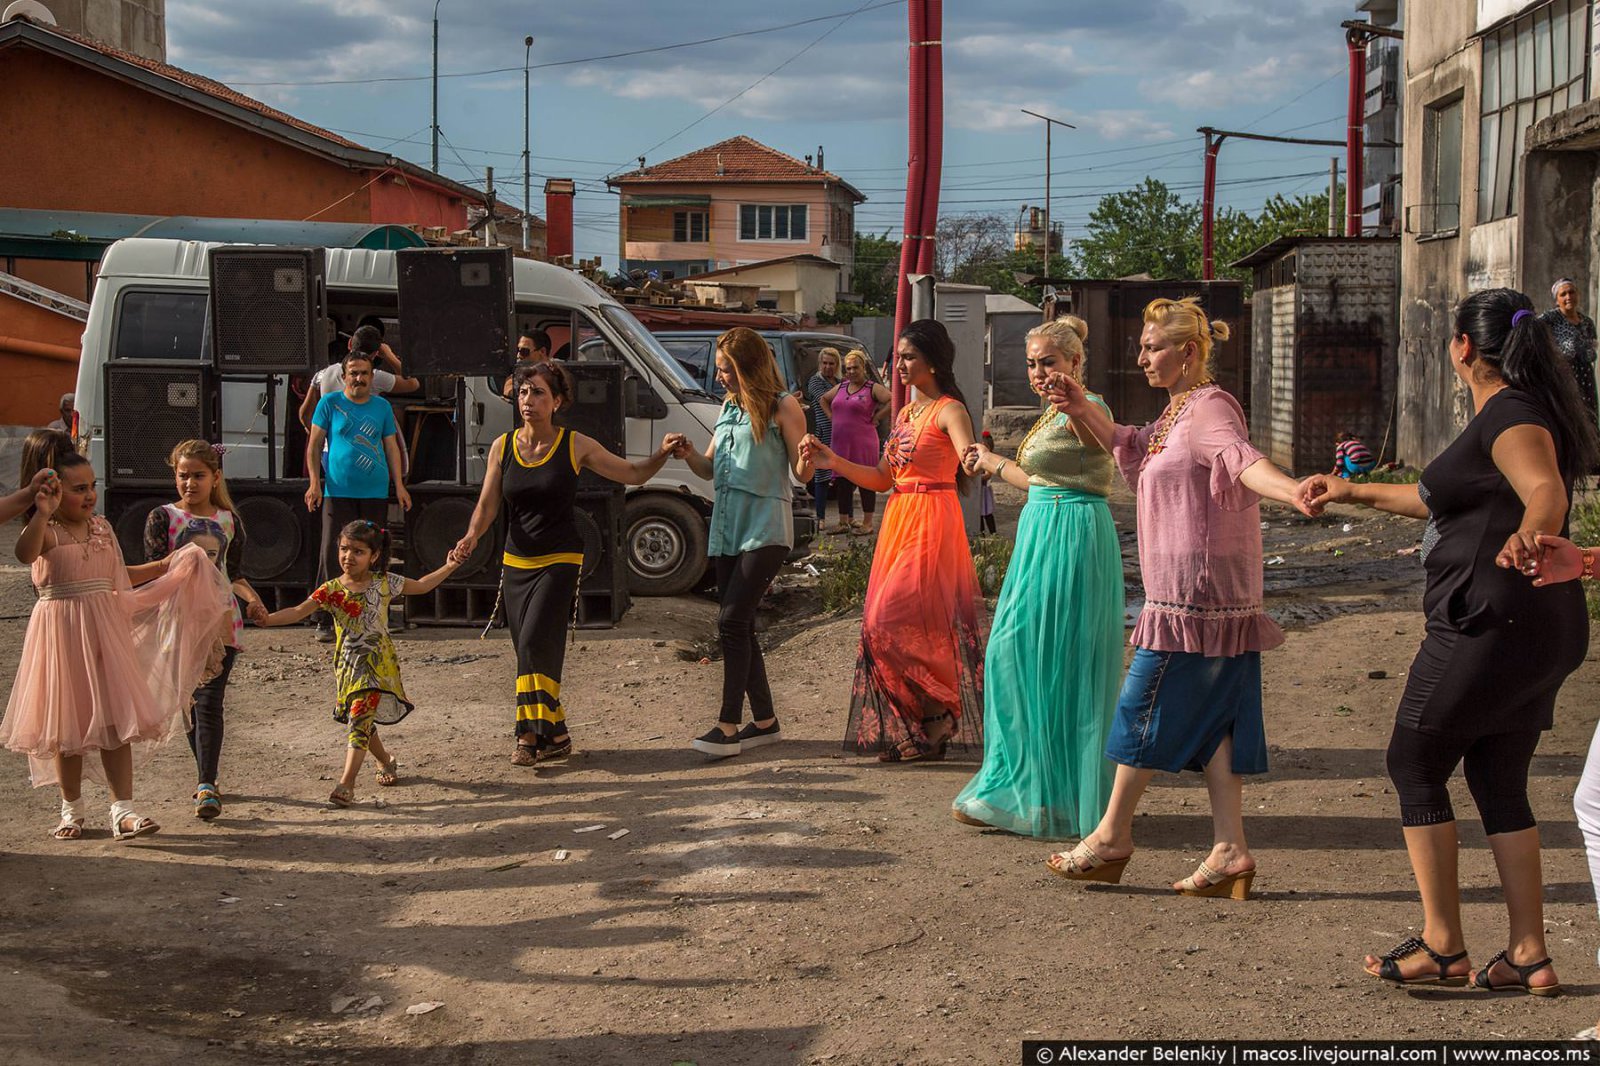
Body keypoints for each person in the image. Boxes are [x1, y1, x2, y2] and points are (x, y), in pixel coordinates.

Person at [1300, 288, 1596, 993]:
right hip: (1536, 626)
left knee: (1414, 759)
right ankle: (1528, 953)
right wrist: (1348, 491)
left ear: (1463, 346)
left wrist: (1531, 536)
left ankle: (1443, 945)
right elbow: (1434, 498)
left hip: (1490, 622)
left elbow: (1544, 489)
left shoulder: (1511, 415)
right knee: (1497, 778)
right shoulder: (1518, 411)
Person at [1043, 296, 1314, 898]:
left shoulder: (1210, 407)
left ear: (1188, 353)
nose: (1141, 357)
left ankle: (1112, 835)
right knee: (1218, 722)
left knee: (1141, 702)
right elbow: (1131, 445)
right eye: (1141, 347)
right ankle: (1230, 851)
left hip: (1198, 595)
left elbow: (1240, 462)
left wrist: (1291, 490)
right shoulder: (1174, 413)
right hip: (1199, 594)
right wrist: (1080, 404)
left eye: (1153, 347)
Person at [453, 361, 686, 766]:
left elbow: (631, 472)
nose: (529, 400)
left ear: (558, 401)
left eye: (539, 393)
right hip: (516, 563)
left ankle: (526, 737)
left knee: (532, 644)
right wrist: (471, 535)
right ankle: (556, 734)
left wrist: (661, 454)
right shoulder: (502, 446)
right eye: (524, 392)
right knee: (528, 653)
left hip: (560, 559)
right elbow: (488, 504)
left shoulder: (575, 445)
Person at [0, 450, 233, 840]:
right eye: (78, 489)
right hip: (60, 636)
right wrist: (41, 512)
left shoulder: (102, 528)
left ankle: (122, 808)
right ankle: (71, 809)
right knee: (66, 724)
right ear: (56, 493)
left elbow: (117, 576)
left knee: (114, 722)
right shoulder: (49, 531)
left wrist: (165, 567)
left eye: (92, 486)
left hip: (102, 631)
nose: (89, 495)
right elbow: (25, 553)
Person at [953, 316, 1124, 837]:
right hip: (1040, 528)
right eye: (1031, 363)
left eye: (1049, 362)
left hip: (1074, 533)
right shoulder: (1049, 414)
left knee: (1054, 659)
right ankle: (1025, 787)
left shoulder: (1088, 407)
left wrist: (1073, 400)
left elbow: (1103, 443)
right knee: (1016, 653)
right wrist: (990, 461)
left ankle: (1057, 795)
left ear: (1075, 362)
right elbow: (1039, 478)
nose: (1038, 372)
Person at [805, 319, 984, 763]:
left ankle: (938, 714)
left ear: (933, 361)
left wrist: (977, 457)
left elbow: (968, 455)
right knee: (891, 627)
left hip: (932, 520)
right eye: (897, 356)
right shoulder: (905, 414)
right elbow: (883, 479)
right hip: (899, 517)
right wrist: (832, 460)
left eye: (908, 356)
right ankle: (930, 723)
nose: (898, 364)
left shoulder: (949, 410)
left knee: (887, 622)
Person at [676, 328, 811, 758]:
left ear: (748, 368)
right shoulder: (730, 407)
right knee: (740, 622)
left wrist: (810, 454)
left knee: (731, 622)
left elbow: (802, 473)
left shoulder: (784, 407)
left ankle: (728, 725)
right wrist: (687, 452)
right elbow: (708, 469)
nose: (720, 378)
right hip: (729, 527)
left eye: (726, 370)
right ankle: (766, 721)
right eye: (718, 370)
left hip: (766, 528)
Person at [258, 520, 459, 807]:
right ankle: (386, 760)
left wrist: (450, 565)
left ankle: (346, 784)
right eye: (344, 549)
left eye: (358, 551)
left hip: (378, 665)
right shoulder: (330, 589)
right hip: (347, 666)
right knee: (359, 718)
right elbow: (298, 611)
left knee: (361, 715)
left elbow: (424, 586)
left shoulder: (385, 582)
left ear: (374, 555)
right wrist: (268, 620)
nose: (348, 556)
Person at [142, 440, 270, 821]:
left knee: (210, 701)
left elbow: (234, 574)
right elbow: (154, 571)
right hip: (179, 622)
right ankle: (207, 778)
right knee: (190, 703)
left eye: (198, 476)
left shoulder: (229, 521)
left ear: (215, 478)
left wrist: (252, 599)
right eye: (183, 476)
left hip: (221, 623)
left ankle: (206, 784)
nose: (190, 483)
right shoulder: (162, 518)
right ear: (174, 476)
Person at [305, 348, 412, 642]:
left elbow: (391, 447)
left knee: (373, 551)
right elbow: (314, 445)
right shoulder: (329, 403)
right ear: (343, 376)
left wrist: (399, 485)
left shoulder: (381, 408)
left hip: (375, 492)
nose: (359, 378)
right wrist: (315, 483)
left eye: (365, 373)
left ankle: (373, 611)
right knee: (332, 551)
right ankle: (325, 617)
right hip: (336, 491)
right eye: (354, 373)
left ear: (371, 376)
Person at [298, 323, 419, 432]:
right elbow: (413, 383)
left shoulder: (322, 374)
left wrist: (321, 438)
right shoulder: (373, 377)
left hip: (331, 450)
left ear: (350, 343)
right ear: (376, 354)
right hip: (362, 448)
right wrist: (389, 355)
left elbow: (305, 415)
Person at [822, 349, 891, 535]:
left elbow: (891, 399)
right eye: (848, 368)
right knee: (842, 481)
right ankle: (843, 521)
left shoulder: (871, 388)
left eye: (855, 368)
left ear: (863, 368)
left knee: (866, 481)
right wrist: (832, 417)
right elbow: (823, 399)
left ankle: (867, 523)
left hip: (863, 442)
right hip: (841, 442)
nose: (851, 371)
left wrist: (877, 417)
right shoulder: (841, 386)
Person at [1539, 278, 1598, 426]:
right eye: (1563, 294)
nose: (1568, 297)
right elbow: (1532, 333)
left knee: (1588, 418)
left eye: (1571, 292)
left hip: (1585, 378)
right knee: (1566, 418)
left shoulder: (1587, 322)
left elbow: (1592, 352)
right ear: (1556, 300)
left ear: (1577, 294)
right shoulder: (1550, 319)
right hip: (1562, 376)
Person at [803, 347, 842, 532]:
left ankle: (846, 519)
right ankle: (820, 518)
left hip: (841, 433)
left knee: (842, 477)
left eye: (831, 363)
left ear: (837, 365)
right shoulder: (815, 382)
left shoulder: (840, 382)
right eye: (824, 363)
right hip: (823, 433)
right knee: (821, 477)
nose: (827, 367)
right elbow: (823, 399)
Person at [499, 329, 553, 401]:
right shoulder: (519, 371)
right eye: (518, 350)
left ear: (542, 351)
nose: (518, 355)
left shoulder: (558, 372)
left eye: (524, 351)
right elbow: (508, 391)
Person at [977, 430, 998, 535]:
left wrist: (977, 478)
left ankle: (993, 533)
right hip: (979, 490)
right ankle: (981, 534)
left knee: (987, 513)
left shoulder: (989, 458)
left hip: (984, 490)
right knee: (979, 514)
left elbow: (988, 474)